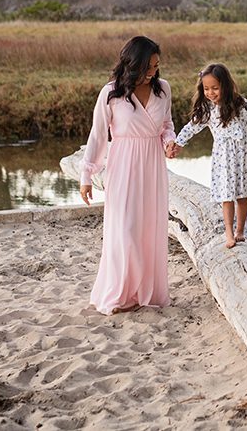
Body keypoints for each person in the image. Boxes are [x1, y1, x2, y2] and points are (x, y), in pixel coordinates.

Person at [80, 36, 177, 315]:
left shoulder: (163, 89)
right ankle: (120, 294)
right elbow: (98, 135)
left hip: (153, 166)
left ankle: (144, 293)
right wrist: (87, 174)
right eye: (148, 67)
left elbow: (167, 125)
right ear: (133, 64)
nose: (153, 72)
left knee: (149, 231)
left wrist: (169, 142)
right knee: (125, 230)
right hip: (123, 166)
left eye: (156, 66)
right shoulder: (111, 93)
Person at [168, 63, 247, 249]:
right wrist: (178, 144)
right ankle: (229, 233)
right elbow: (191, 128)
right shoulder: (206, 110)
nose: (210, 93)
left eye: (215, 88)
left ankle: (240, 231)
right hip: (223, 158)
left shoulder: (238, 104)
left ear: (225, 86)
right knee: (226, 196)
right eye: (206, 89)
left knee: (242, 196)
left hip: (243, 156)